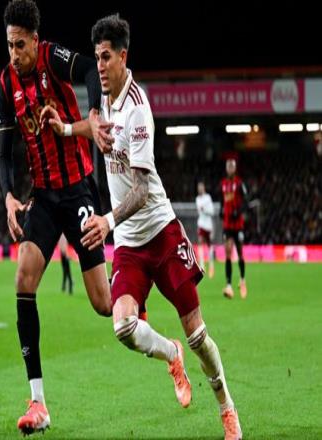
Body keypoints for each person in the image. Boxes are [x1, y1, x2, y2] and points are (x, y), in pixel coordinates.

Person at [41, 14, 242, 440]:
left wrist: (109, 220)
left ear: (123, 57)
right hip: (130, 246)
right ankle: (170, 355)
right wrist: (66, 128)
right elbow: (95, 129)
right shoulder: (104, 99)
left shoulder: (138, 109)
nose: (99, 66)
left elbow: (144, 189)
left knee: (198, 334)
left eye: (105, 57)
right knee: (122, 327)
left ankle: (227, 408)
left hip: (161, 233)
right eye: (96, 57)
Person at [0, 0, 113, 435]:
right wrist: (10, 197)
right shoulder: (7, 82)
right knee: (23, 278)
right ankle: (38, 402)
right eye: (9, 45)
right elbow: (4, 151)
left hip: (79, 189)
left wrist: (93, 113)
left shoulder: (52, 57)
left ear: (34, 40)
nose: (14, 54)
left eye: (20, 45)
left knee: (103, 305)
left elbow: (90, 73)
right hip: (44, 196)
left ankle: (138, 295)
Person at [220, 159, 247, 299]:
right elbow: (222, 200)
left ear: (235, 169)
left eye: (232, 167)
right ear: (226, 169)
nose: (230, 169)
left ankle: (242, 280)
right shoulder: (223, 184)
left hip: (238, 225)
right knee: (228, 253)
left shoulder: (240, 183)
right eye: (228, 166)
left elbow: (246, 201)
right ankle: (229, 285)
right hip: (227, 225)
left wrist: (239, 211)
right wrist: (221, 210)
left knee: (240, 253)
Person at [196, 181, 215, 278]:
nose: (199, 189)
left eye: (201, 187)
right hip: (201, 224)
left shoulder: (208, 197)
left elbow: (212, 211)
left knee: (209, 244)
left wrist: (205, 209)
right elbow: (199, 210)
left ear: (203, 188)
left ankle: (211, 264)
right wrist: (202, 209)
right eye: (198, 188)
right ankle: (202, 265)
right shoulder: (197, 199)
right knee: (200, 242)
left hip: (208, 225)